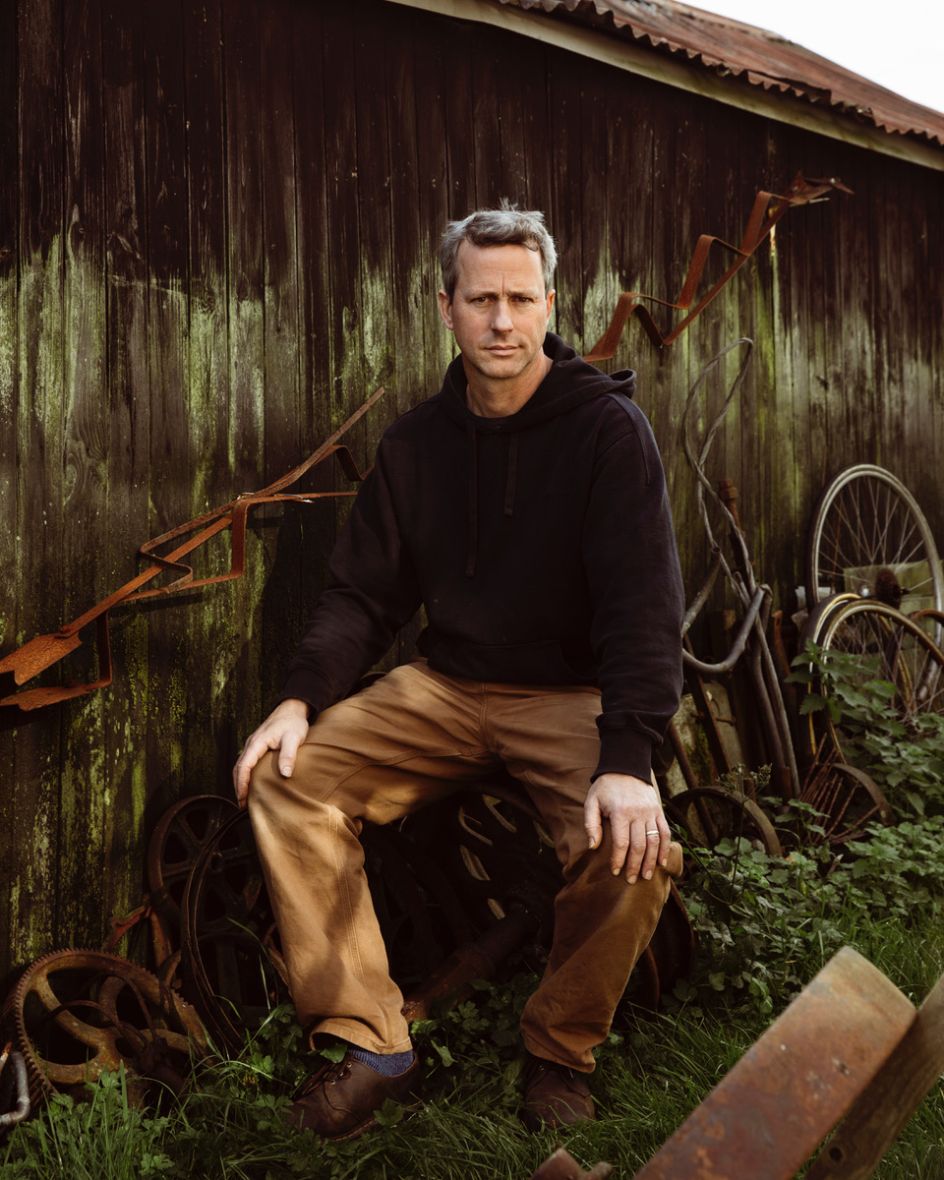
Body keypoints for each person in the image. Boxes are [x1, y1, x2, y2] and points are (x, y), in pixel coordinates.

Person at [233, 205, 685, 1141]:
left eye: (520, 299)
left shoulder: (607, 433)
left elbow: (643, 608)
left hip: (570, 695)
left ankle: (559, 1051)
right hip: (445, 688)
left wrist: (628, 758)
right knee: (284, 780)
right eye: (481, 300)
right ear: (446, 307)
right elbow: (361, 596)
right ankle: (371, 1041)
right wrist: (298, 699)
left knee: (635, 851)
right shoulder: (414, 446)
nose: (502, 321)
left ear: (550, 303)